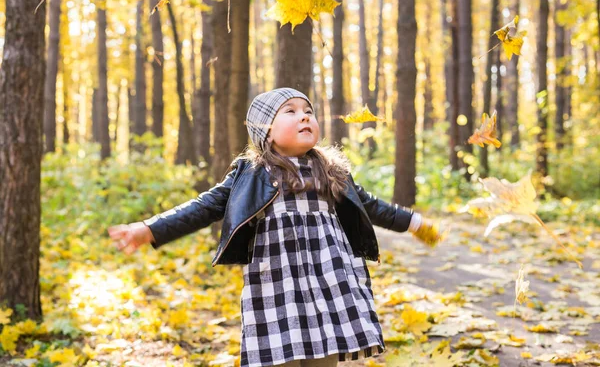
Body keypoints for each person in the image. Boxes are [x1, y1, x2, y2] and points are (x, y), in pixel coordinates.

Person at [108, 87, 442, 367]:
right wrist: (150, 228)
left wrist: (413, 222)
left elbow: (370, 206)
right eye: (291, 111)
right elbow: (205, 206)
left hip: (329, 279)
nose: (305, 116)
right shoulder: (251, 173)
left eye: (308, 110)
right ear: (266, 130)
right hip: (276, 282)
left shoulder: (331, 171)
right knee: (279, 354)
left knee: (325, 350)